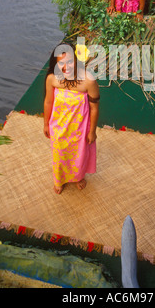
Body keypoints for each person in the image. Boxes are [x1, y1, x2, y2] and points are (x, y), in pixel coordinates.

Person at [43, 42, 100, 195]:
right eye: (61, 63)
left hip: (80, 128)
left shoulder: (88, 81)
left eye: (70, 61)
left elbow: (94, 108)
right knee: (60, 155)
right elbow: (48, 101)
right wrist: (46, 124)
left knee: (79, 156)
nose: (65, 67)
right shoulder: (53, 79)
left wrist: (92, 131)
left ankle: (78, 177)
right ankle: (59, 180)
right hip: (58, 127)